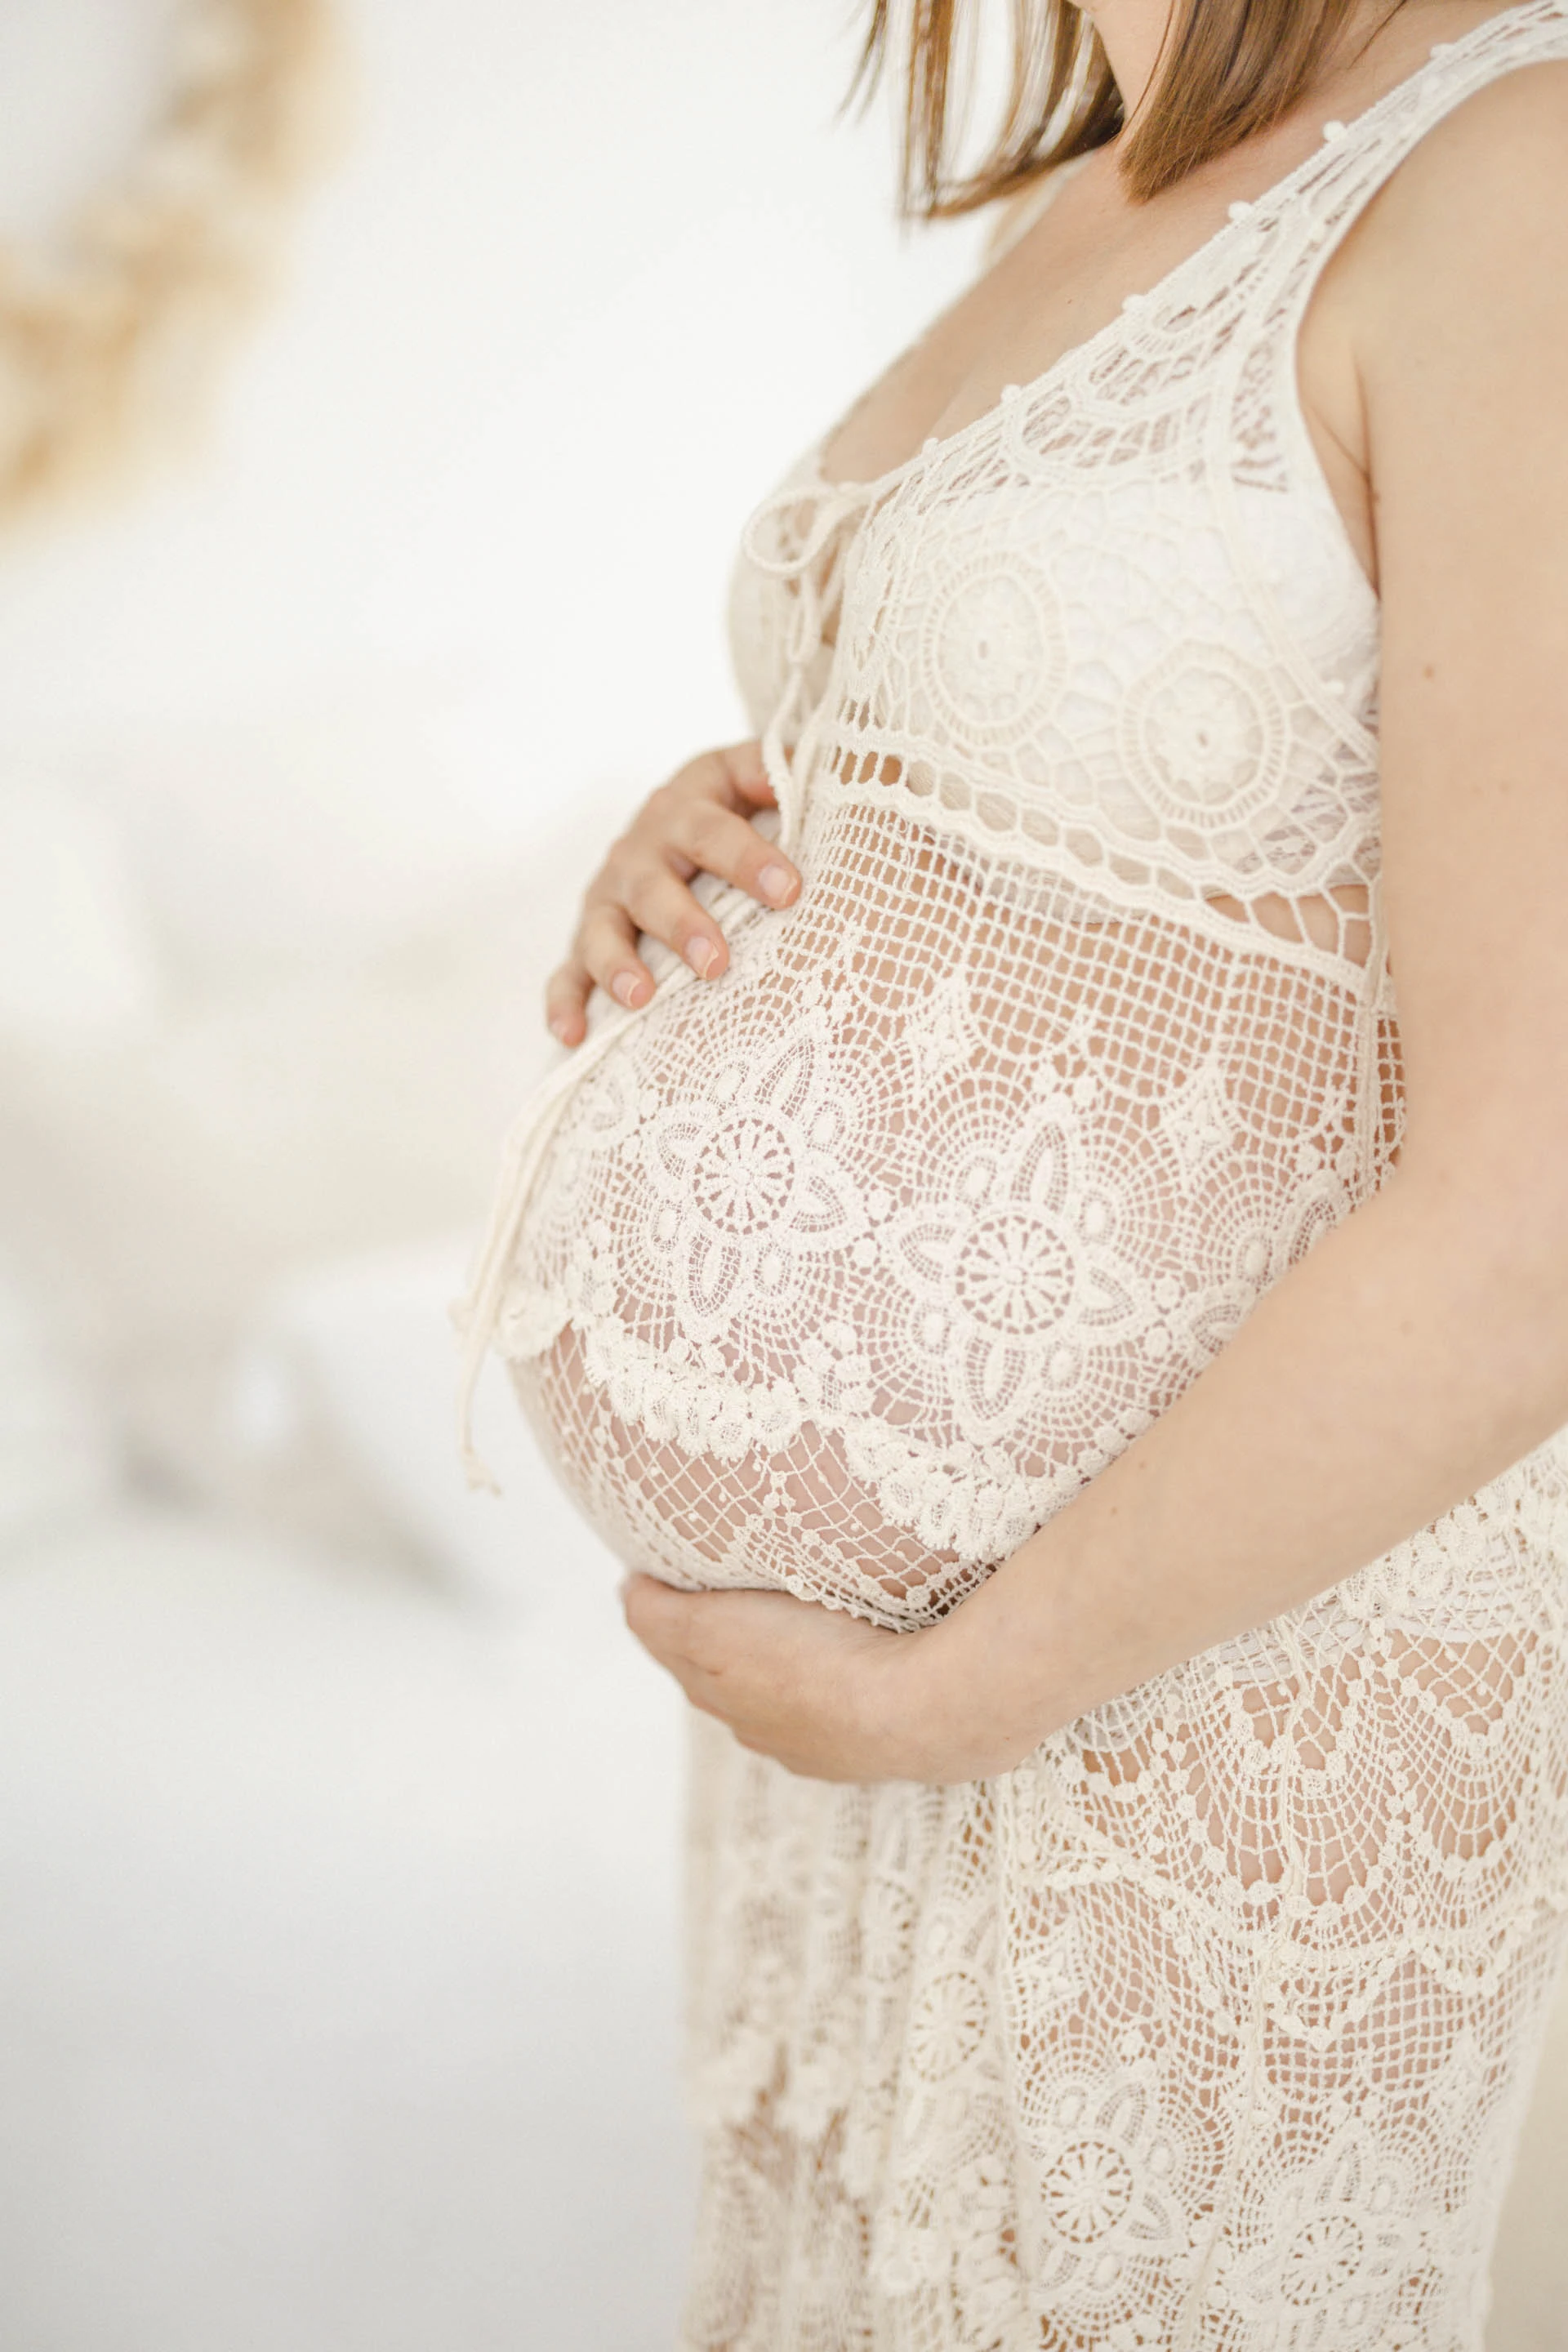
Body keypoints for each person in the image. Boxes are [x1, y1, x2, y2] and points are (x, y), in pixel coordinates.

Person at [457, 0, 1568, 2340]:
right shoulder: (1108, 170)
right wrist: (761, 841)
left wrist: (978, 1685)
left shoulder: (1521, 169)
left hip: (1201, 1690)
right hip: (880, 1721)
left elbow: (1536, 1216)